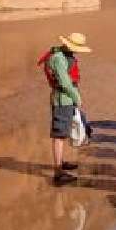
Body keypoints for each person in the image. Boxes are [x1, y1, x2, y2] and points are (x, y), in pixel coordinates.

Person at [41, 32, 91, 184]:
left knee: (62, 133)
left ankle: (61, 163)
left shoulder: (62, 55)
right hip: (62, 100)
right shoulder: (59, 59)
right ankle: (58, 173)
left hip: (65, 99)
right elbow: (64, 81)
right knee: (59, 136)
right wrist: (77, 97)